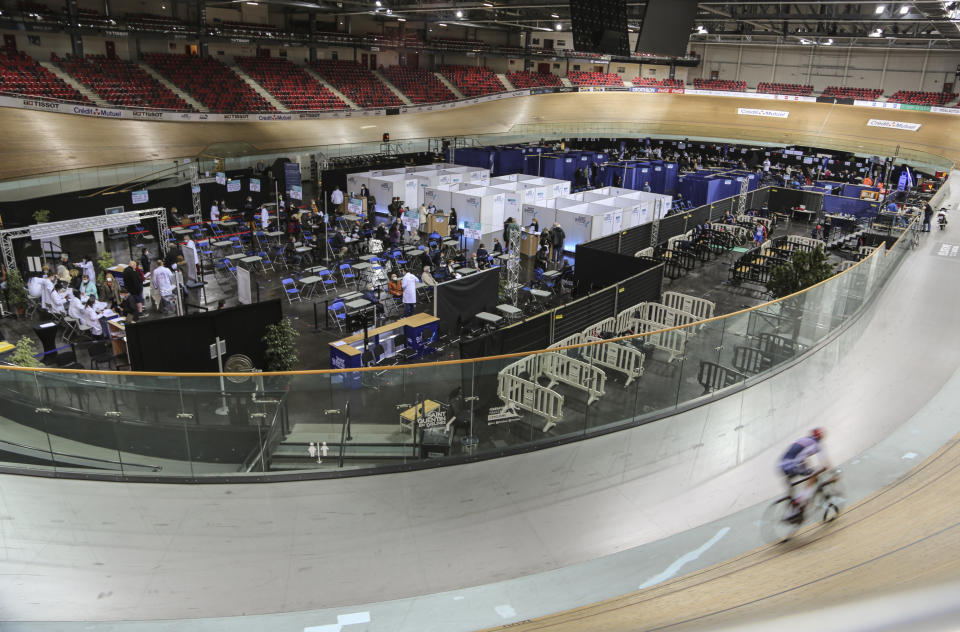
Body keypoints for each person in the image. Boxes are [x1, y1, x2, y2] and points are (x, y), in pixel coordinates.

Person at [779, 428, 830, 520]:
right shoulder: (817, 445)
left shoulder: (803, 440)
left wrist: (808, 468)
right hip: (793, 464)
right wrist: (832, 473)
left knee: (792, 482)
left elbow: (803, 457)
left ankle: (792, 504)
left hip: (782, 463)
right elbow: (825, 464)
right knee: (814, 476)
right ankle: (800, 502)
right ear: (821, 437)